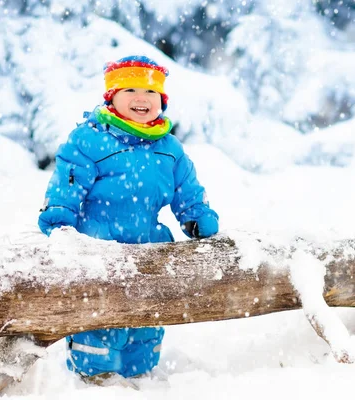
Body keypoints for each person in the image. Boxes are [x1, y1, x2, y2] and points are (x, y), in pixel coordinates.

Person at [37, 55, 219, 381]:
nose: (141, 98)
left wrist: (197, 216)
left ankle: (140, 378)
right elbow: (69, 180)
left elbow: (187, 188)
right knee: (99, 322)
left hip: (151, 253)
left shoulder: (169, 148)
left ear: (162, 100)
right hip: (98, 253)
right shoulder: (89, 140)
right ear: (111, 96)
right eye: (130, 89)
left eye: (151, 92)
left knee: (146, 325)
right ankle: (95, 381)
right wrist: (59, 218)